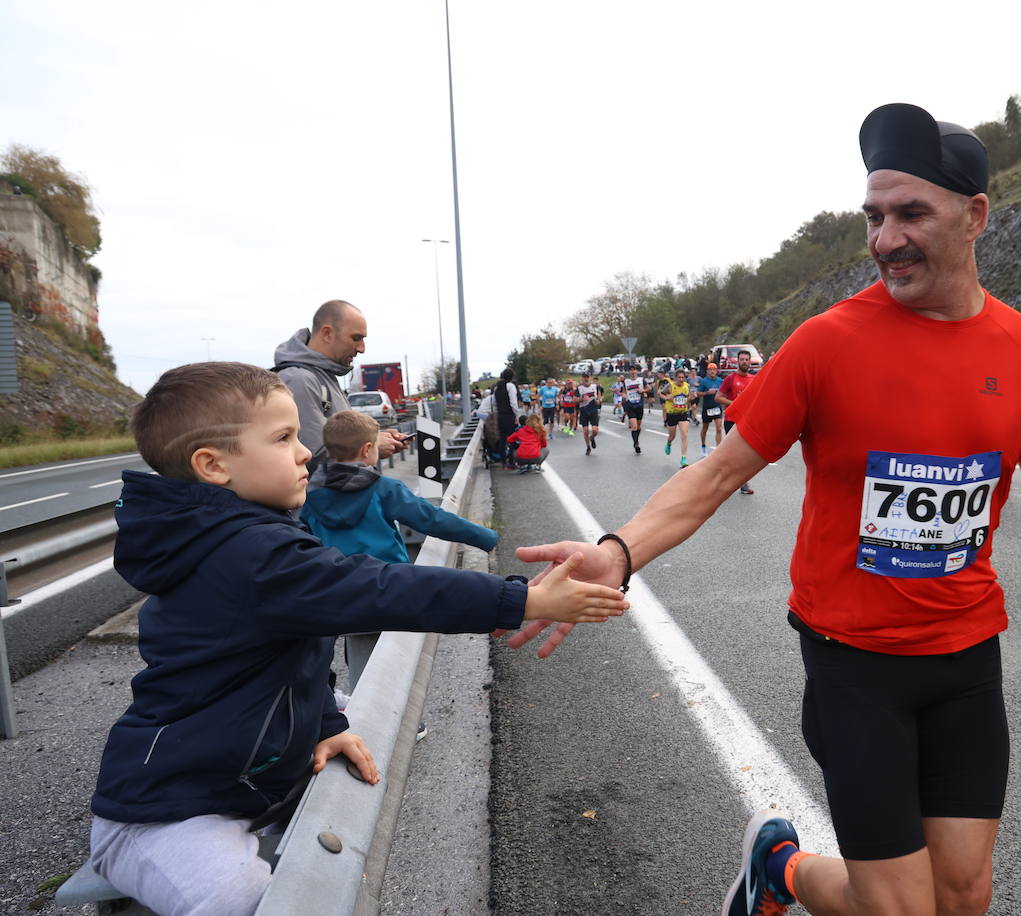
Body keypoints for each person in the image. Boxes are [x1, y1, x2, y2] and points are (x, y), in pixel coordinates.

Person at [509, 102, 1021, 916]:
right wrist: (620, 551)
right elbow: (716, 473)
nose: (885, 238)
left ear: (976, 216)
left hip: (966, 659)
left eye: (910, 213)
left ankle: (774, 870)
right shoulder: (827, 342)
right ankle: (783, 870)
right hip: (854, 665)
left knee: (962, 900)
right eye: (874, 217)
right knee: (898, 909)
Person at [87, 362, 628, 916]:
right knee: (240, 900)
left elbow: (286, 657)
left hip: (231, 781)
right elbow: (379, 588)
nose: (304, 452)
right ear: (212, 465)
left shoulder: (249, 536)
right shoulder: (246, 556)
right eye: (283, 438)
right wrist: (522, 599)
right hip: (163, 812)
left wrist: (325, 724)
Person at [301, 410, 498, 560]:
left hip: (338, 586)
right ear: (367, 449)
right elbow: (431, 519)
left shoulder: (309, 493)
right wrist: (484, 536)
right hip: (388, 581)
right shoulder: (384, 488)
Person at [273, 299, 406, 474]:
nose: (361, 348)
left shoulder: (323, 376)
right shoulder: (299, 380)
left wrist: (373, 438)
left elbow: (336, 442)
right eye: (356, 338)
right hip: (320, 500)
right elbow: (311, 454)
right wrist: (370, 446)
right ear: (327, 333)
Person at [714, 350, 758, 495]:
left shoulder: (753, 379)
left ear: (749, 361)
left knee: (745, 455)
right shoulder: (730, 379)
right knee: (734, 454)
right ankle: (722, 479)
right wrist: (734, 403)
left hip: (748, 421)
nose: (744, 362)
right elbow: (718, 397)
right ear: (737, 361)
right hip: (731, 420)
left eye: (746, 359)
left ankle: (741, 483)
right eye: (742, 359)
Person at [662, 368, 693, 469]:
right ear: (675, 378)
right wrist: (667, 398)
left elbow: (688, 397)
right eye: (679, 377)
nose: (681, 379)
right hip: (672, 413)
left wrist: (691, 398)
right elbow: (660, 393)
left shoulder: (687, 386)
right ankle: (669, 443)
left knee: (684, 434)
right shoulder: (670, 386)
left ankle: (683, 458)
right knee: (672, 435)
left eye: (683, 377)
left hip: (683, 412)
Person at [493, 368, 520, 470]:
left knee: (502, 439)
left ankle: (503, 462)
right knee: (512, 439)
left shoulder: (497, 387)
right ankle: (511, 462)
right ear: (512, 376)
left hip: (500, 415)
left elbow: (495, 402)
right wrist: (516, 414)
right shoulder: (510, 386)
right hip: (509, 415)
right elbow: (513, 402)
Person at [697, 362, 725, 456]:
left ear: (716, 371)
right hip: (707, 407)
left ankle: (718, 449)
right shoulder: (704, 381)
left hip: (717, 406)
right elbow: (698, 393)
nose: (712, 371)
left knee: (719, 428)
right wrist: (707, 393)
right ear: (708, 371)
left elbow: (724, 392)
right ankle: (703, 446)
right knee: (705, 428)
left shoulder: (720, 381)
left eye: (714, 370)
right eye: (710, 370)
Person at [623, 363, 649, 454]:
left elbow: (649, 388)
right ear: (629, 372)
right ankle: (636, 443)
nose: (633, 371)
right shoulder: (626, 382)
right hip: (630, 406)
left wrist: (643, 391)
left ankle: (636, 440)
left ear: (637, 371)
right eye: (631, 370)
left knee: (638, 426)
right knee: (634, 426)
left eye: (634, 370)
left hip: (639, 405)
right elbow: (624, 392)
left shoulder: (641, 380)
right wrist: (624, 396)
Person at [578, 372, 603, 456]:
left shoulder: (595, 386)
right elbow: (574, 400)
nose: (586, 378)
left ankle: (592, 437)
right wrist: (581, 399)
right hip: (584, 411)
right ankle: (588, 447)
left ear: (590, 377)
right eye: (584, 377)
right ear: (582, 378)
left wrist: (598, 401)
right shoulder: (579, 388)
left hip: (593, 411)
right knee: (585, 431)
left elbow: (599, 395)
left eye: (587, 377)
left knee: (595, 430)